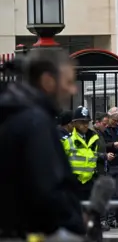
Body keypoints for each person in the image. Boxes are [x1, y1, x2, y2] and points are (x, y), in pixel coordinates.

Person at [0, 49, 85, 238]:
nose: (73, 90)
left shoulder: (14, 114)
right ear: (48, 81)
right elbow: (46, 189)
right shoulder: (36, 122)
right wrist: (73, 223)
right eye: (69, 82)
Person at [62, 106, 101, 201]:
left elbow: (93, 159)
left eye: (87, 122)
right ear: (74, 123)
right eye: (82, 122)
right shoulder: (66, 141)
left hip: (90, 184)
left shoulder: (93, 140)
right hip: (73, 185)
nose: (85, 125)